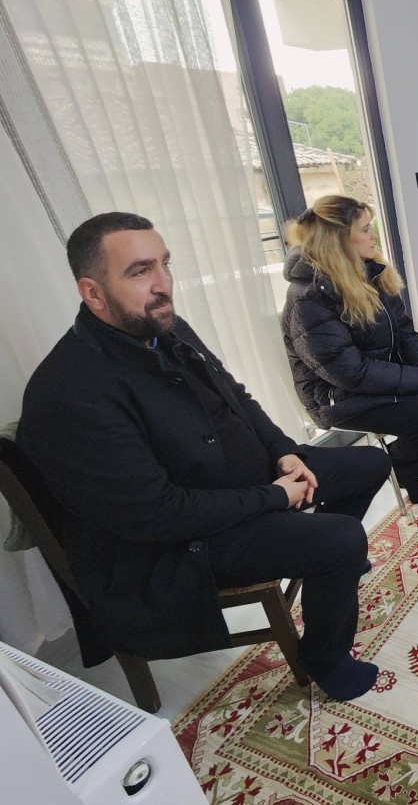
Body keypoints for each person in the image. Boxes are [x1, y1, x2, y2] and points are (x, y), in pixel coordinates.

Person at [18, 212, 392, 701]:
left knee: (370, 463)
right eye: (140, 271)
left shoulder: (165, 329)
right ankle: (325, 656)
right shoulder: (70, 392)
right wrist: (275, 498)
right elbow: (158, 515)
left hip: (239, 486)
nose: (163, 284)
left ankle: (326, 568)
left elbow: (237, 398)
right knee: (341, 539)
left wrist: (283, 452)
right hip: (182, 540)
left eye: (164, 264)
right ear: (93, 292)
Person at [282, 195, 418, 506]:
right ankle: (398, 466)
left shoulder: (370, 271)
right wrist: (417, 381)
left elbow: (405, 329)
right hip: (339, 396)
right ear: (340, 240)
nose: (374, 236)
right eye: (365, 229)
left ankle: (406, 468)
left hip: (378, 377)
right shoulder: (308, 297)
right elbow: (349, 372)